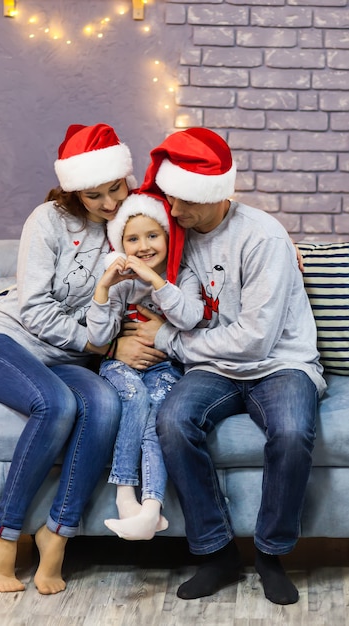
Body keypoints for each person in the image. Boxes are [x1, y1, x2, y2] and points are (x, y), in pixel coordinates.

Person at [133, 127, 326, 605]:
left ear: (212, 195)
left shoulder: (262, 237)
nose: (173, 211)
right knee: (173, 421)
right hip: (217, 365)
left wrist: (169, 342)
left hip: (280, 362)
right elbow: (190, 306)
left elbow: (256, 341)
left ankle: (271, 554)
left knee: (292, 430)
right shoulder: (184, 238)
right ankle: (217, 552)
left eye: (182, 202)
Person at [0, 123, 161, 595]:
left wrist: (287, 248)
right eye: (95, 196)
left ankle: (56, 535)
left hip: (67, 359)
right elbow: (33, 308)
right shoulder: (49, 219)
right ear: (76, 191)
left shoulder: (131, 224)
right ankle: (3, 534)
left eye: (117, 188)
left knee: (106, 406)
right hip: (6, 342)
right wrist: (104, 347)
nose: (110, 202)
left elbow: (201, 224)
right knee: (56, 405)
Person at [86, 191, 203, 541]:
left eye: (152, 235)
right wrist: (104, 286)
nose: (143, 246)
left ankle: (151, 510)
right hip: (119, 369)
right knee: (135, 398)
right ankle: (125, 498)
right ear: (120, 244)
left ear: (167, 237)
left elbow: (189, 317)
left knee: (157, 420)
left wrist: (156, 281)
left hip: (164, 369)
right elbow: (99, 335)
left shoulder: (184, 278)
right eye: (132, 239)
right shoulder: (119, 284)